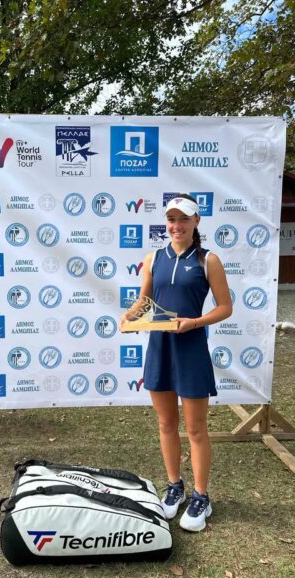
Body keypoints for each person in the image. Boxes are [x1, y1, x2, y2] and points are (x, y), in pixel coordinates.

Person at [119, 194, 232, 532]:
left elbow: (225, 307)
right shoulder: (154, 258)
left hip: (191, 348)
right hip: (160, 347)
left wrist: (195, 322)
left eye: (184, 219)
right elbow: (146, 300)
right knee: (166, 423)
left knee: (196, 428)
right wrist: (129, 316)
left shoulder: (208, 260)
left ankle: (201, 496)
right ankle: (174, 487)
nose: (177, 226)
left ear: (196, 221)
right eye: (171, 219)